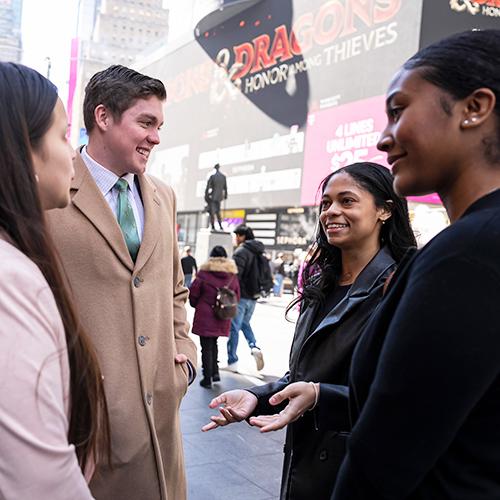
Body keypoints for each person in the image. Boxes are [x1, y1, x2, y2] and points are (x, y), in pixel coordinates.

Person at [331, 30, 500, 499]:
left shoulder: (468, 254)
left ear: (475, 107)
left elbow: (385, 456)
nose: (385, 140)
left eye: (399, 110)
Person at [204, 163, 416, 499]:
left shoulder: (404, 285)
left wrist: (320, 396)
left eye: (347, 201)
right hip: (304, 467)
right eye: (326, 203)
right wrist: (257, 397)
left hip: (359, 473)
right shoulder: (321, 282)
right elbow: (304, 375)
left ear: (385, 211)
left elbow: (405, 399)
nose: (332, 212)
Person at [47, 65, 197, 500]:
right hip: (87, 430)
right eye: (145, 123)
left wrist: (184, 359)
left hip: (163, 425)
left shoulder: (163, 196)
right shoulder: (49, 190)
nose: (156, 137)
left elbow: (175, 288)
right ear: (103, 117)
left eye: (159, 125)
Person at [0, 62, 110, 499]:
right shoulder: (10, 281)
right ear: (23, 151)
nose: (72, 153)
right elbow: (38, 481)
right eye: (64, 136)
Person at [189, 245, 240, 388]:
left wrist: (196, 304)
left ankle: (207, 378)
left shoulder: (204, 273)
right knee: (214, 343)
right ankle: (215, 372)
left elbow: (193, 293)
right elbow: (237, 295)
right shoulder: (232, 275)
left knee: (206, 346)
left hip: (205, 313)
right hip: (222, 315)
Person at [226, 224, 267, 372]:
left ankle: (232, 361)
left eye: (237, 235)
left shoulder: (241, 251)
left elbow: (234, 275)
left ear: (242, 236)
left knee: (234, 328)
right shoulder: (259, 251)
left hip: (241, 296)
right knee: (244, 323)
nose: (235, 239)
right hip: (254, 296)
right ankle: (254, 346)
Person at [205, 163, 227, 231]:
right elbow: (225, 188)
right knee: (218, 212)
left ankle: (213, 226)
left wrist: (206, 196)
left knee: (212, 213)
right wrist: (225, 195)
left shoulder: (212, 175)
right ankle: (220, 226)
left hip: (212, 197)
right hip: (219, 197)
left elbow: (208, 187)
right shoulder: (223, 176)